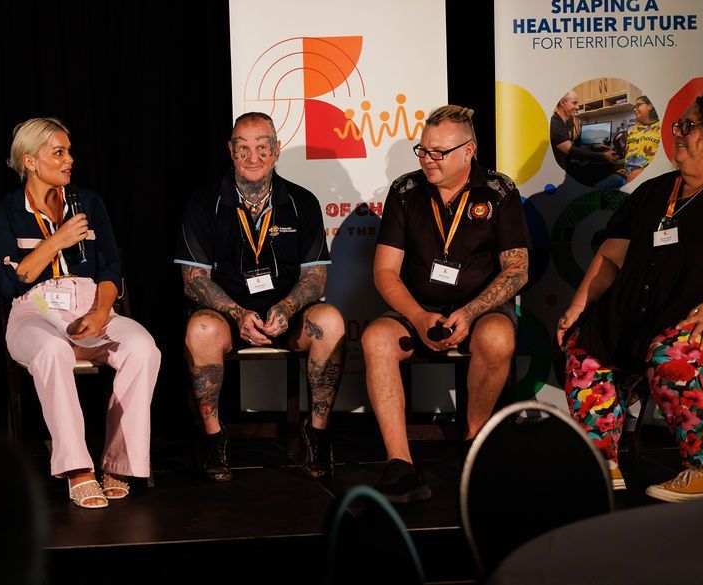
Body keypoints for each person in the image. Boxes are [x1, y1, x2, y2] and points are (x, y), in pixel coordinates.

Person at [556, 92, 703, 502]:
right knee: (585, 345)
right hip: (644, 316)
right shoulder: (653, 192)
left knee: (675, 354)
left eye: (689, 126)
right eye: (677, 126)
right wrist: (578, 307)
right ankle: (600, 463)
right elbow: (610, 257)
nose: (678, 134)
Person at [0, 117, 161, 509]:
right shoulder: (6, 212)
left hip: (90, 305)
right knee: (53, 351)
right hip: (34, 311)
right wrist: (57, 240)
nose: (70, 160)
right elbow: (8, 282)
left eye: (69, 151)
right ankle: (77, 469)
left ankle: (119, 462)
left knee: (143, 349)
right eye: (59, 153)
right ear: (30, 161)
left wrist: (101, 313)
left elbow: (110, 271)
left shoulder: (89, 203)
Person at [362, 105, 531, 503]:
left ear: (468, 150)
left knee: (497, 339)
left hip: (480, 309)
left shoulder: (499, 191)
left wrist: (470, 313)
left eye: (438, 152)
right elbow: (385, 271)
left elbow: (518, 269)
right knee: (375, 339)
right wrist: (419, 316)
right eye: (423, 150)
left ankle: (473, 448)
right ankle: (400, 465)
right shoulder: (405, 190)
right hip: (417, 308)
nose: (428, 159)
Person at [176, 112, 345, 481]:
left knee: (330, 322)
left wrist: (285, 308)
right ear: (230, 150)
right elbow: (193, 280)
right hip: (227, 316)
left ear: (276, 150)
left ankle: (318, 434)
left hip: (287, 314)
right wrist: (238, 314)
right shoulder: (204, 202)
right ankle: (213, 438)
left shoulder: (302, 201)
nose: (253, 158)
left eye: (262, 148)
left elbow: (315, 278)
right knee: (201, 330)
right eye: (243, 149)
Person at [550, 90, 622, 187]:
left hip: (570, 168)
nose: (577, 107)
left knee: (606, 168)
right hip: (565, 173)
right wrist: (604, 155)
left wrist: (593, 146)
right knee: (609, 170)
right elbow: (571, 151)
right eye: (574, 103)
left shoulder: (563, 123)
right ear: (563, 103)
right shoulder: (555, 124)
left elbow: (573, 145)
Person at [619, 95, 662, 182]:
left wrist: (645, 171)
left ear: (650, 106)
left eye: (638, 105)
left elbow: (664, 159)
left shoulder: (662, 128)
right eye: (634, 107)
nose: (635, 109)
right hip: (625, 173)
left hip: (646, 174)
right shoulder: (634, 129)